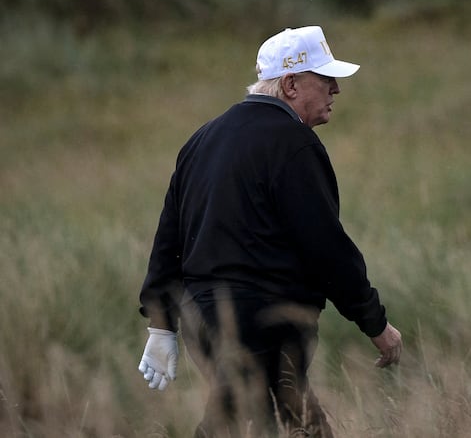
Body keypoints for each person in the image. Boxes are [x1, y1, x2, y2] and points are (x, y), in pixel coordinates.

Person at [137, 25, 403, 437]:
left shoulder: (201, 139)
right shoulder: (293, 143)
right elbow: (326, 248)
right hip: (263, 322)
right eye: (326, 78)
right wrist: (375, 324)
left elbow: (167, 239)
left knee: (293, 425)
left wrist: (161, 323)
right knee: (235, 424)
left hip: (202, 322)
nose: (336, 89)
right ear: (291, 83)